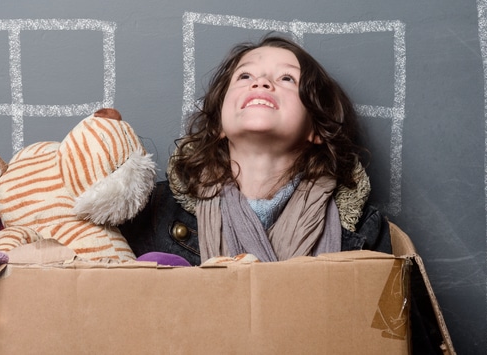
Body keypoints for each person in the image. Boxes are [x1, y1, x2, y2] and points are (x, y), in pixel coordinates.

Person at [121, 34, 390, 264]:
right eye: (245, 75)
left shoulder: (365, 229)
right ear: (219, 125)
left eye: (286, 78)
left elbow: (392, 323)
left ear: (317, 129)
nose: (261, 83)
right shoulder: (153, 211)